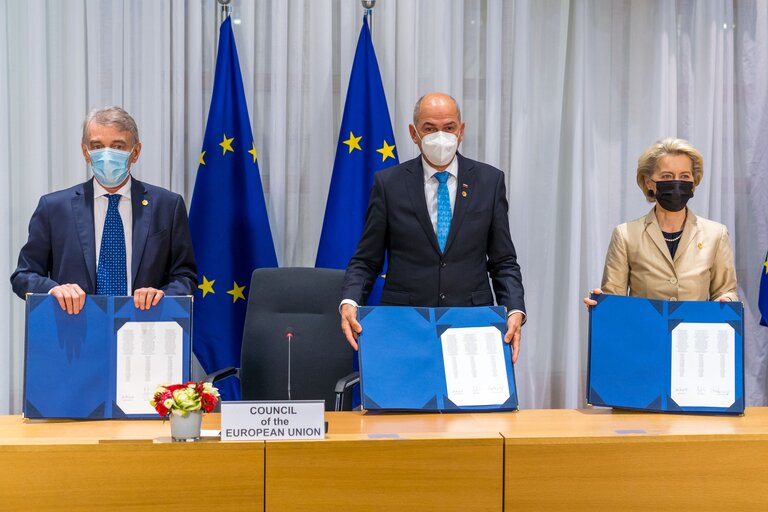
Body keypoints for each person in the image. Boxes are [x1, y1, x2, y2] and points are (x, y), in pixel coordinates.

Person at [340, 92, 526, 362]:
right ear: (414, 134)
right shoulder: (389, 184)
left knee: (471, 405)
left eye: (449, 127)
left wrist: (514, 309)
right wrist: (350, 301)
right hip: (405, 324)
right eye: (430, 128)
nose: (441, 135)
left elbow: (503, 260)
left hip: (471, 322)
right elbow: (366, 260)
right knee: (403, 405)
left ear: (461, 131)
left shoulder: (489, 181)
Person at [11, 106, 197, 314]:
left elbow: (185, 277)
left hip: (143, 330)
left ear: (135, 152)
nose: (107, 155)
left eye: (118, 146)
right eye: (97, 146)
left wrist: (161, 295)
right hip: (75, 332)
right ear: (85, 152)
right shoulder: (54, 208)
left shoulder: (167, 206)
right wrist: (53, 289)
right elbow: (23, 276)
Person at [584, 137, 737, 307]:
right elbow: (614, 299)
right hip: (643, 331)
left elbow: (726, 291)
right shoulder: (626, 235)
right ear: (649, 183)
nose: (677, 182)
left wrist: (727, 301)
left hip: (693, 332)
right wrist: (601, 305)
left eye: (684, 176)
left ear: (694, 181)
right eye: (667, 176)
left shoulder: (716, 234)